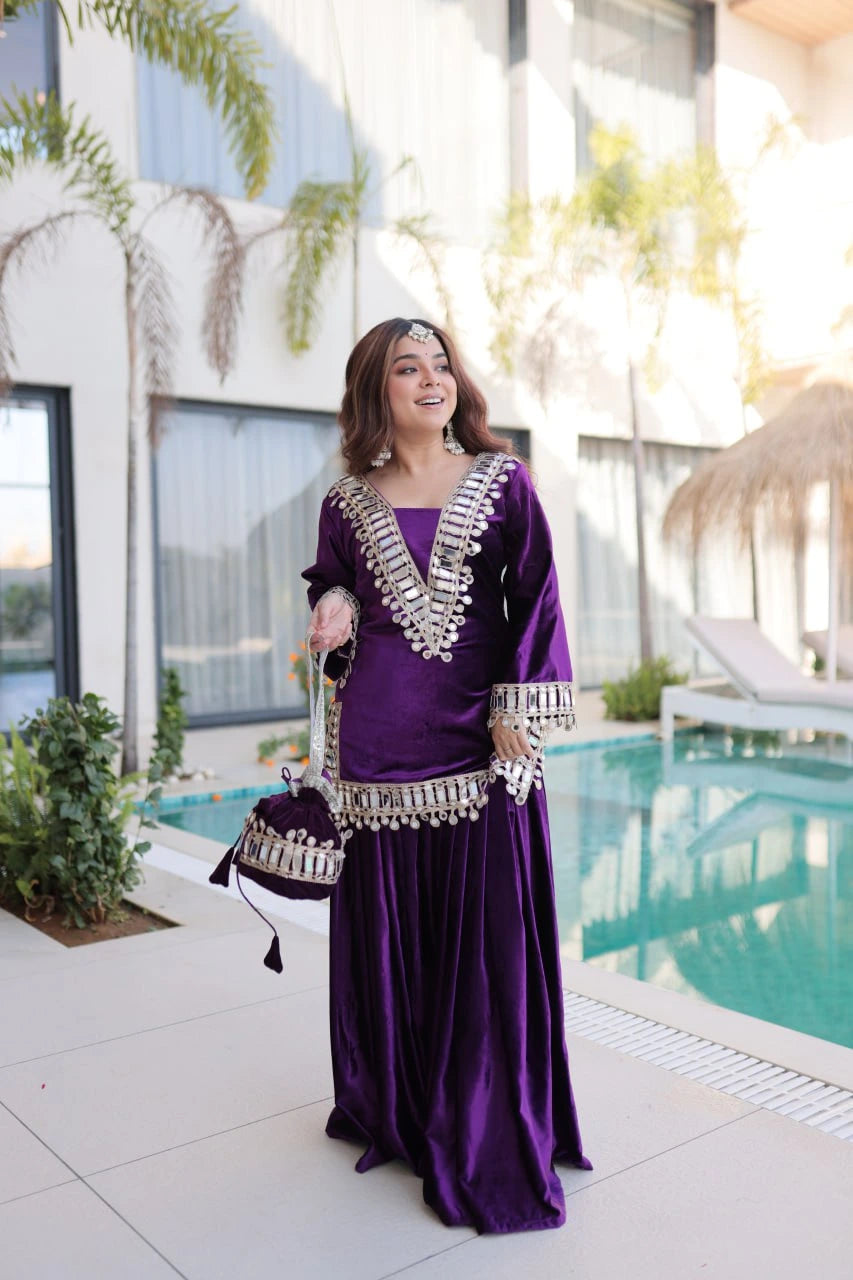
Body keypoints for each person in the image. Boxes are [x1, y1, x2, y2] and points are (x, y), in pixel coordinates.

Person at [302, 317, 592, 1234]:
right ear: (376, 392)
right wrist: (336, 607)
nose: (428, 380)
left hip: (482, 740)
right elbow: (331, 583)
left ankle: (480, 1123)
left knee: (486, 940)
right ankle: (397, 1100)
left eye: (439, 366)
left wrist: (518, 704)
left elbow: (536, 595)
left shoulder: (505, 484)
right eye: (405, 368)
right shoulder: (348, 501)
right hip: (378, 746)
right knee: (392, 937)